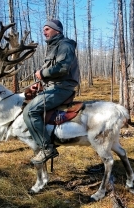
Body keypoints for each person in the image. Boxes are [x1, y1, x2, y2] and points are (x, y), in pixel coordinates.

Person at [23, 19, 80, 164]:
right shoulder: (53, 47)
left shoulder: (65, 45)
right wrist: (41, 84)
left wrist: (43, 73)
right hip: (53, 86)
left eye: (47, 29)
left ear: (57, 31)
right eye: (44, 29)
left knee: (30, 111)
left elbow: (62, 68)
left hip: (62, 88)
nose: (44, 31)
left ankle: (47, 148)